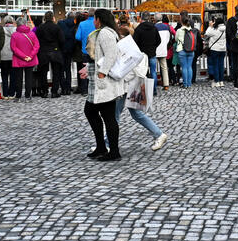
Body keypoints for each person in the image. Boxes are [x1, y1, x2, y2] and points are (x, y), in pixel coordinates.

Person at [113, 23, 169, 151]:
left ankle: (107, 143)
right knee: (135, 113)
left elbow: (126, 70)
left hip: (128, 85)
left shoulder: (128, 51)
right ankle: (159, 134)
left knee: (115, 115)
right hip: (134, 84)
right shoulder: (134, 50)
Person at [86, 10, 123, 161]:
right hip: (103, 82)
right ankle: (103, 146)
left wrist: (102, 72)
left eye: (94, 18)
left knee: (106, 116)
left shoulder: (105, 34)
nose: (93, 21)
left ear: (99, 19)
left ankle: (113, 151)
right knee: (95, 112)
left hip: (105, 82)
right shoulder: (109, 32)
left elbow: (111, 54)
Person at [35, 11, 64, 98]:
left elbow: (36, 40)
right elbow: (62, 40)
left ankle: (44, 91)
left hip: (43, 52)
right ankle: (54, 91)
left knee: (43, 73)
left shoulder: (40, 28)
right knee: (56, 72)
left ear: (45, 18)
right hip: (55, 51)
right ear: (52, 18)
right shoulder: (57, 27)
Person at [10, 17, 40, 101]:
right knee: (29, 78)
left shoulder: (14, 35)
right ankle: (27, 96)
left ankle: (18, 96)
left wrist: (23, 56)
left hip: (19, 60)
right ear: (25, 23)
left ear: (17, 24)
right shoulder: (32, 34)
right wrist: (30, 56)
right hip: (30, 59)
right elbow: (37, 46)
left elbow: (14, 48)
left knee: (18, 78)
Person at [133, 12, 161, 90]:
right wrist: (154, 47)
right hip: (152, 53)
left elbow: (135, 42)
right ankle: (153, 89)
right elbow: (159, 40)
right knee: (153, 72)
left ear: (141, 18)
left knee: (142, 72)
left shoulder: (138, 28)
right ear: (149, 18)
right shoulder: (154, 27)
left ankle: (143, 90)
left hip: (142, 54)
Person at [58, 11, 77, 95]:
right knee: (68, 69)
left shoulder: (61, 23)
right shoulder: (75, 25)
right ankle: (68, 88)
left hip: (61, 48)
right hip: (70, 49)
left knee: (61, 69)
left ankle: (63, 88)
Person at [204, 18, 227, 87]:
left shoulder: (215, 30)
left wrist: (210, 26)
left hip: (215, 49)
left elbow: (206, 34)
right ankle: (221, 81)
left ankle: (217, 81)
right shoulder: (225, 29)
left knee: (215, 65)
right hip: (223, 49)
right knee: (221, 65)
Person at [174, 17, 195, 88]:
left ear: (182, 22)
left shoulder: (179, 30)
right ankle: (189, 84)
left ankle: (185, 84)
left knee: (184, 67)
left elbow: (176, 39)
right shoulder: (191, 30)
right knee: (189, 67)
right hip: (191, 50)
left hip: (182, 50)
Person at [154, 14, 173, 91]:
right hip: (163, 49)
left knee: (153, 68)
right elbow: (169, 38)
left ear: (155, 19)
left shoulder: (154, 27)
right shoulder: (167, 27)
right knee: (164, 67)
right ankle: (166, 84)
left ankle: (154, 84)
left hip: (155, 50)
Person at [0, 16, 16, 99]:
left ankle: (5, 94)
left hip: (3, 56)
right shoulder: (16, 30)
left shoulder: (1, 30)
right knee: (13, 75)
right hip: (13, 55)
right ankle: (12, 93)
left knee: (4, 75)